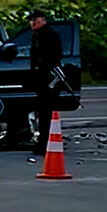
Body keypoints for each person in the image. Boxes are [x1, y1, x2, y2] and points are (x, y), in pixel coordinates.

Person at [28, 9, 63, 155]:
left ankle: (45, 143)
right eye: (31, 20)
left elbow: (54, 57)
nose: (32, 23)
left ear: (42, 19)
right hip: (41, 79)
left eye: (35, 20)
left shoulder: (50, 35)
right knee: (42, 112)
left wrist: (45, 73)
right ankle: (43, 141)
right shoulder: (36, 36)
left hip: (48, 79)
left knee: (46, 112)